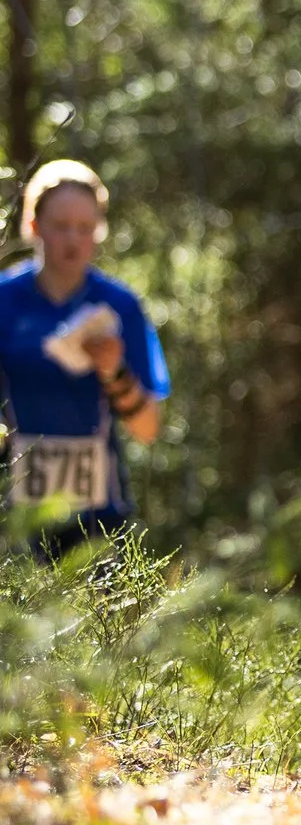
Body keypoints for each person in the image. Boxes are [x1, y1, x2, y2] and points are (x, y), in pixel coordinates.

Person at [0, 160, 168, 547]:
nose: (73, 239)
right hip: (14, 525)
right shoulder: (5, 301)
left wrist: (114, 372)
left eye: (85, 228)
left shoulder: (120, 305)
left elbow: (148, 429)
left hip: (99, 522)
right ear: (34, 226)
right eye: (61, 226)